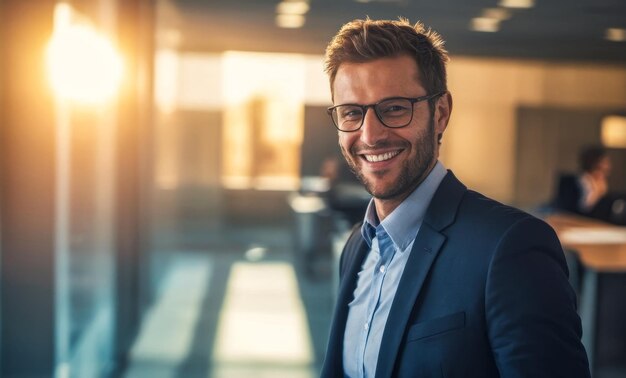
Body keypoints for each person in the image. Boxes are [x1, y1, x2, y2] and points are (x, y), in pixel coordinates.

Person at [320, 18, 590, 377]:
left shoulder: (511, 248)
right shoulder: (358, 246)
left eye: (395, 108)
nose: (370, 135)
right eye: (352, 112)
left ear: (441, 113)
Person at [553, 146, 612, 218]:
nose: (608, 166)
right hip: (571, 221)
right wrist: (595, 194)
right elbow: (569, 209)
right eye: (605, 162)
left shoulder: (602, 184)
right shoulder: (570, 182)